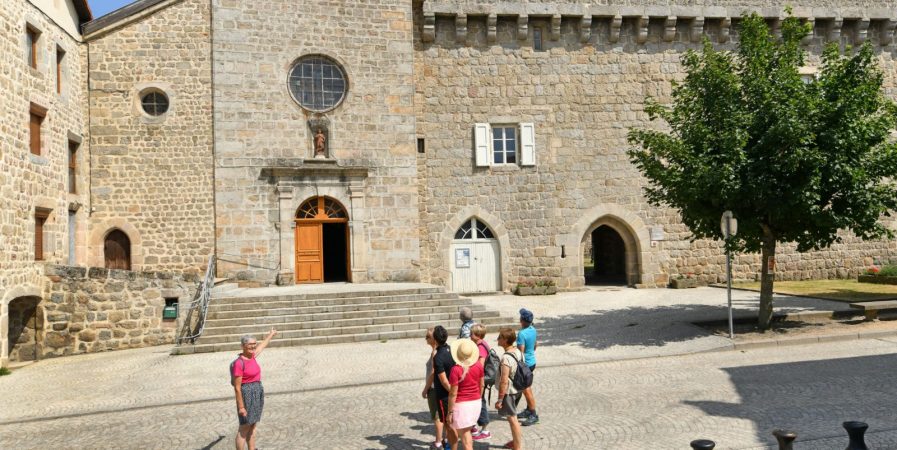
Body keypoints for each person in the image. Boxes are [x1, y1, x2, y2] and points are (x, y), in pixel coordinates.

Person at [232, 328, 276, 450]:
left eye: (254, 344)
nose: (253, 346)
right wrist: (241, 407)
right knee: (244, 427)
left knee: (253, 425)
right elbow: (237, 387)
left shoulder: (252, 356)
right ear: (243, 346)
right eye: (250, 344)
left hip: (257, 392)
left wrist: (270, 335)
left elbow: (261, 346)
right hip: (247, 394)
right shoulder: (239, 363)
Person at [446, 338, 485, 450]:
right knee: (466, 433)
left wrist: (450, 412)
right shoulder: (478, 366)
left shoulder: (456, 370)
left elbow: (453, 394)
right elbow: (481, 385)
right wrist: (478, 399)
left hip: (462, 406)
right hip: (476, 403)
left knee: (465, 437)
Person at [495, 327, 524, 450]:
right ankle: (515, 442)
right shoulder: (518, 351)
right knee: (513, 417)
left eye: (500, 337)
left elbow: (504, 381)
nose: (497, 339)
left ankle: (517, 447)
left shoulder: (505, 358)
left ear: (505, 340)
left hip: (510, 392)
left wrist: (500, 399)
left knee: (512, 419)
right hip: (518, 389)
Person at [432, 325, 456, 450]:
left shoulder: (438, 357)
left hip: (444, 395)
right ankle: (449, 443)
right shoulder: (451, 350)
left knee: (448, 423)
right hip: (452, 392)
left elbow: (444, 381)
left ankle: (449, 446)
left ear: (435, 340)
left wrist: (454, 393)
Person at [422, 327, 446, 449]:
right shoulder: (442, 350)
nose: (425, 338)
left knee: (437, 416)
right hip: (439, 387)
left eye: (428, 337)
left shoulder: (435, 352)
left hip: (434, 388)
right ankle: (444, 439)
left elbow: (432, 373)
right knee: (442, 415)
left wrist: (426, 389)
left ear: (434, 339)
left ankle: (438, 442)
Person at [516, 308, 539, 426]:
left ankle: (533, 414)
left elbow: (520, 352)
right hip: (532, 362)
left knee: (527, 390)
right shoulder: (533, 330)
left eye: (520, 317)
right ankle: (528, 409)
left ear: (523, 321)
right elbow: (535, 346)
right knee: (526, 388)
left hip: (525, 365)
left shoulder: (521, 334)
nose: (519, 318)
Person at [469, 324, 492, 441]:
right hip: (478, 378)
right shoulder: (479, 344)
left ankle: (485, 429)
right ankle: (473, 426)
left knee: (480, 402)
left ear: (477, 336)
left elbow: (480, 366)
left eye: (471, 333)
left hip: (480, 380)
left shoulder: (481, 347)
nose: (469, 335)